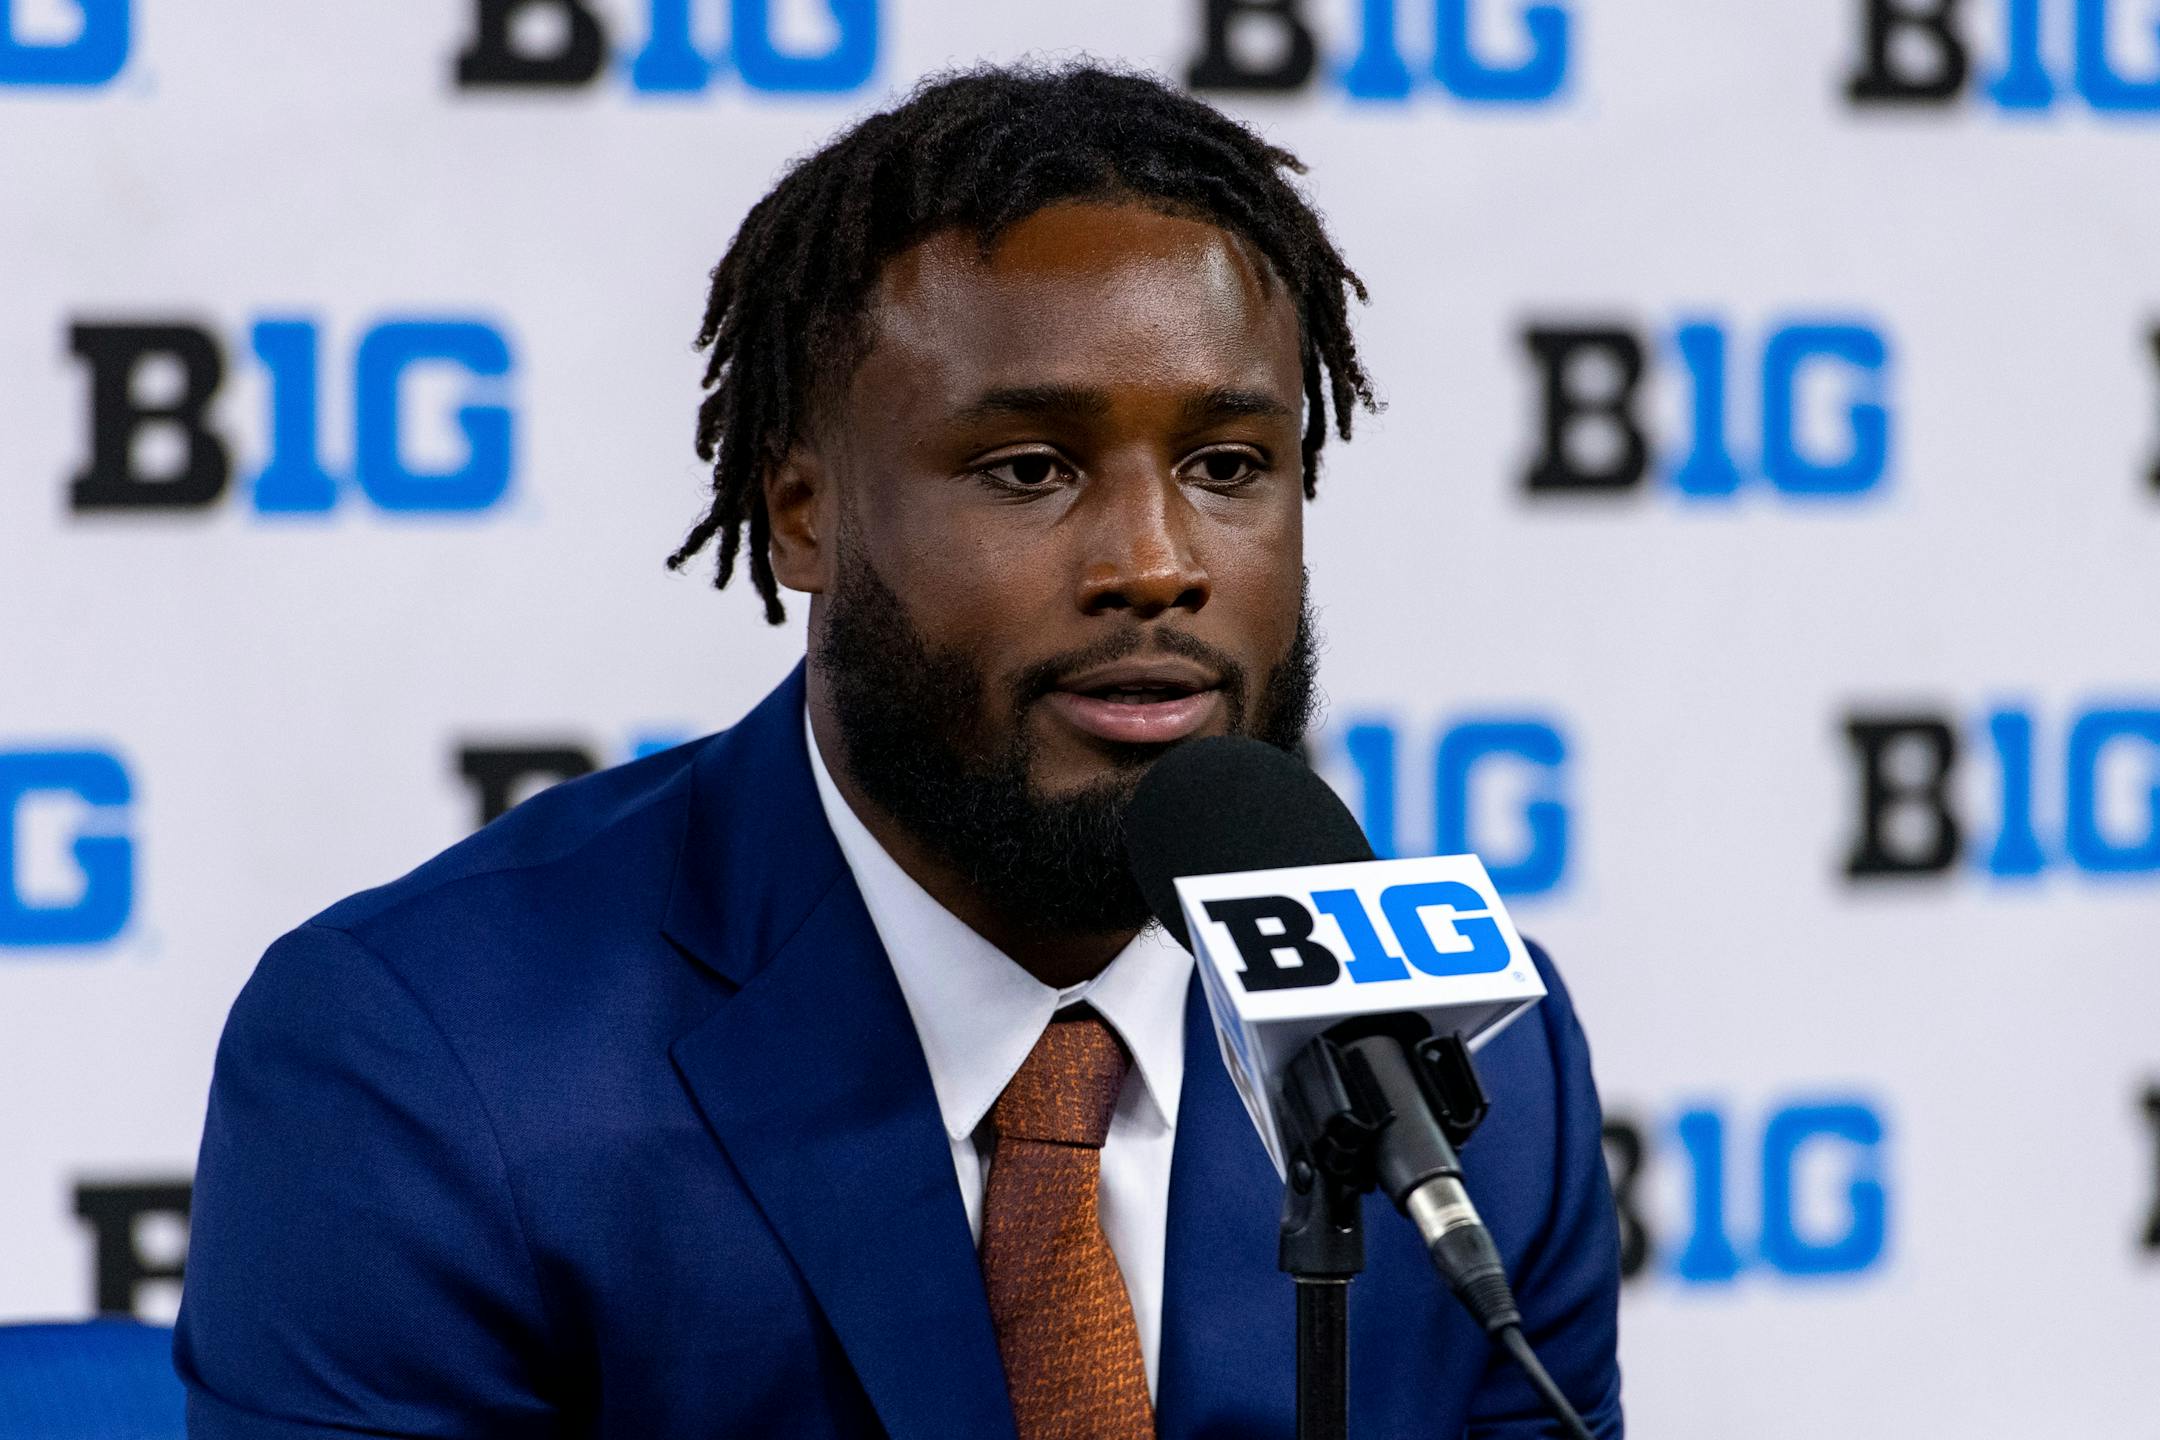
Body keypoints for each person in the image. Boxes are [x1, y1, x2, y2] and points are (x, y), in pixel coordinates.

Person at [176, 63, 1622, 1439]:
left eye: (1227, 467)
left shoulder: (1466, 1062)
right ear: (802, 512)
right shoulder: (428, 1062)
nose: (1156, 563)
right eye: (1030, 470)